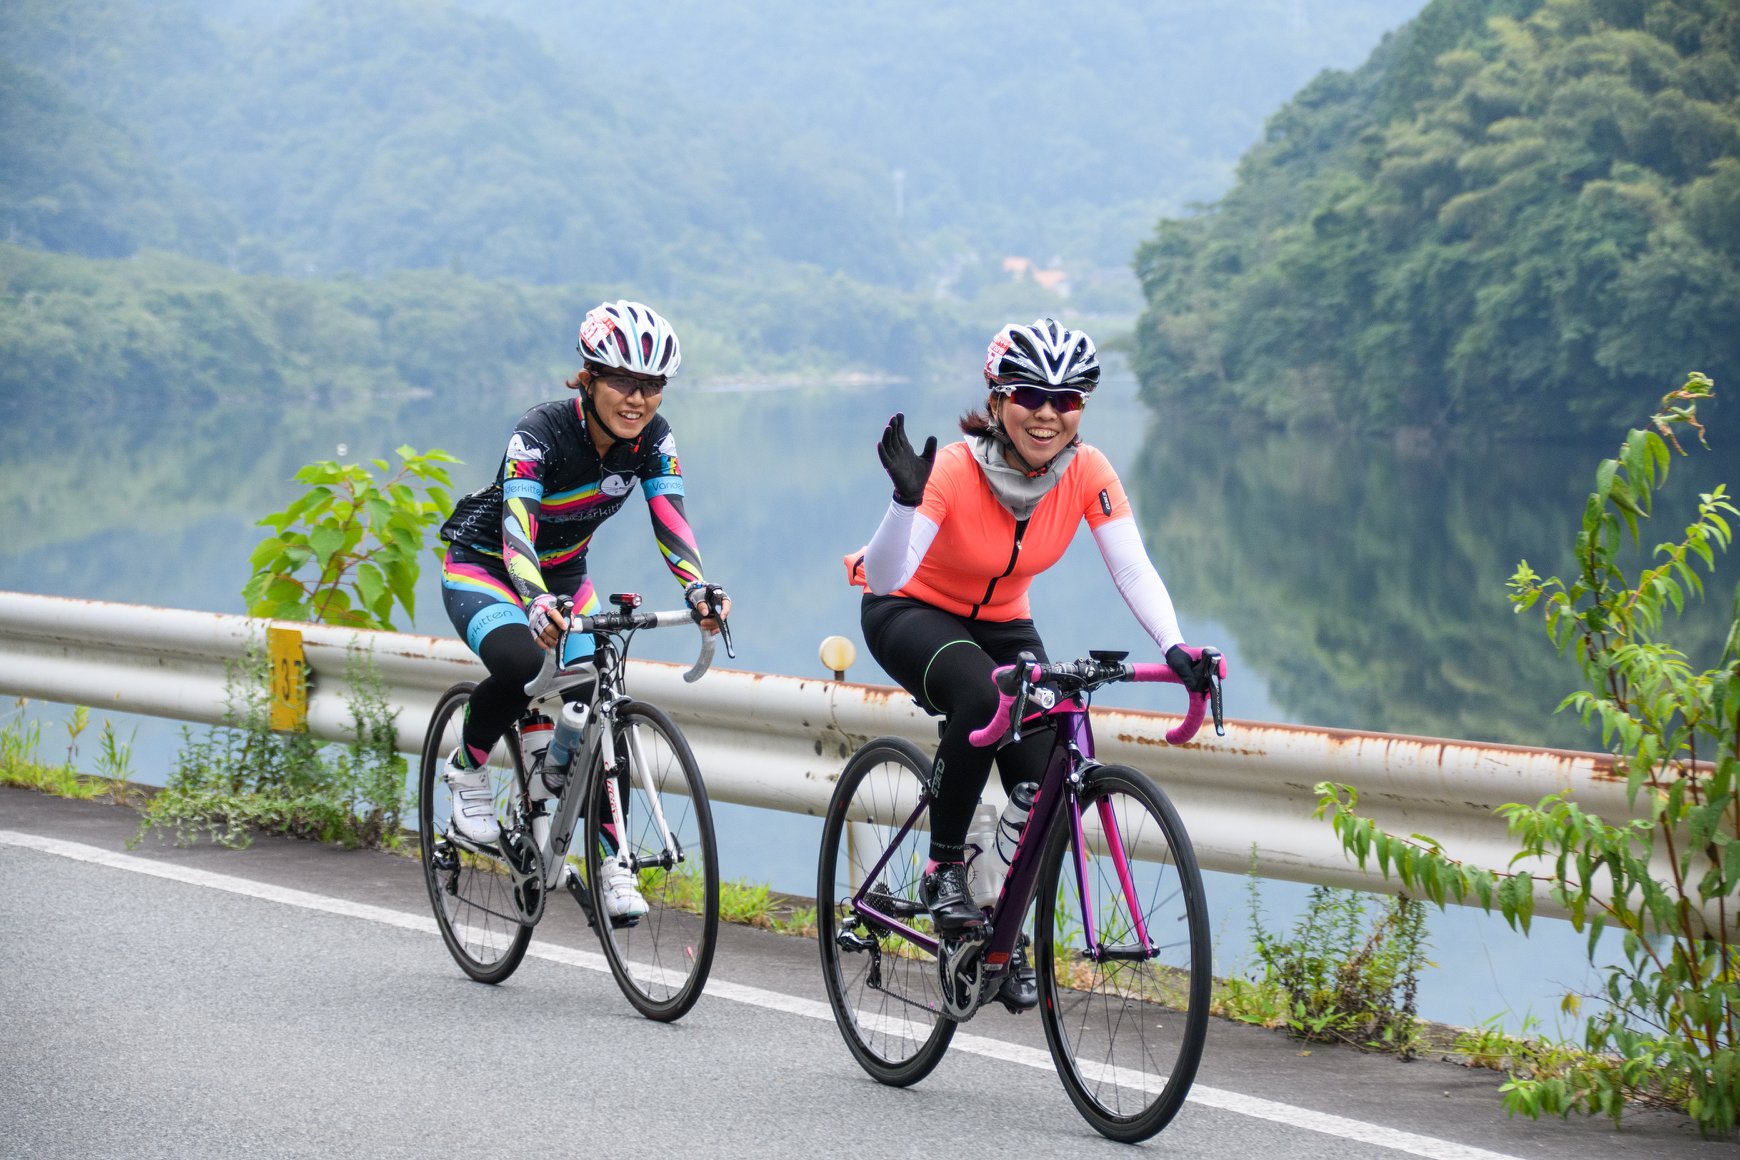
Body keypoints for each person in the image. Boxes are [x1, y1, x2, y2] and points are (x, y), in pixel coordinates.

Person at [844, 317, 1212, 1009]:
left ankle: (996, 926)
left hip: (1006, 624)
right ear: (997, 400)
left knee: (1051, 774)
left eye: (1067, 400)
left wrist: (1175, 646)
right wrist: (904, 500)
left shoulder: (1087, 473)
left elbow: (1131, 565)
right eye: (1030, 396)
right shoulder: (953, 468)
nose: (1048, 415)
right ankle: (945, 868)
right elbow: (889, 577)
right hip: (910, 612)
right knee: (982, 699)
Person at [438, 299, 730, 918]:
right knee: (525, 668)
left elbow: (672, 520)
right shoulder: (540, 429)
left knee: (601, 697)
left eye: (652, 385)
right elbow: (518, 527)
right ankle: (467, 768)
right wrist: (536, 599)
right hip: (488, 568)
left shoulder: (654, 439)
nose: (638, 398)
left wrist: (698, 590)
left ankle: (609, 860)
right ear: (590, 377)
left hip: (566, 575)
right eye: (623, 381)